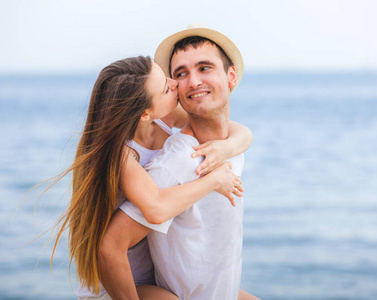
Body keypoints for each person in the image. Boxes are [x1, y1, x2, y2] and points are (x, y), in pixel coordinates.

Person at [45, 55, 253, 299]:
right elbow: (156, 208)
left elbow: (233, 128)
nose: (175, 83)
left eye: (166, 76)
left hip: (156, 276)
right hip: (120, 284)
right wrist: (213, 181)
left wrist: (226, 148)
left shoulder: (163, 117)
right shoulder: (122, 156)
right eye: (166, 88)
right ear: (144, 113)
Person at [100, 24, 260, 300]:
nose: (192, 82)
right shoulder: (172, 164)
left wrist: (230, 147)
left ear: (231, 76)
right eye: (180, 74)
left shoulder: (225, 145)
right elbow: (113, 244)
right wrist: (213, 179)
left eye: (205, 68)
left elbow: (242, 134)